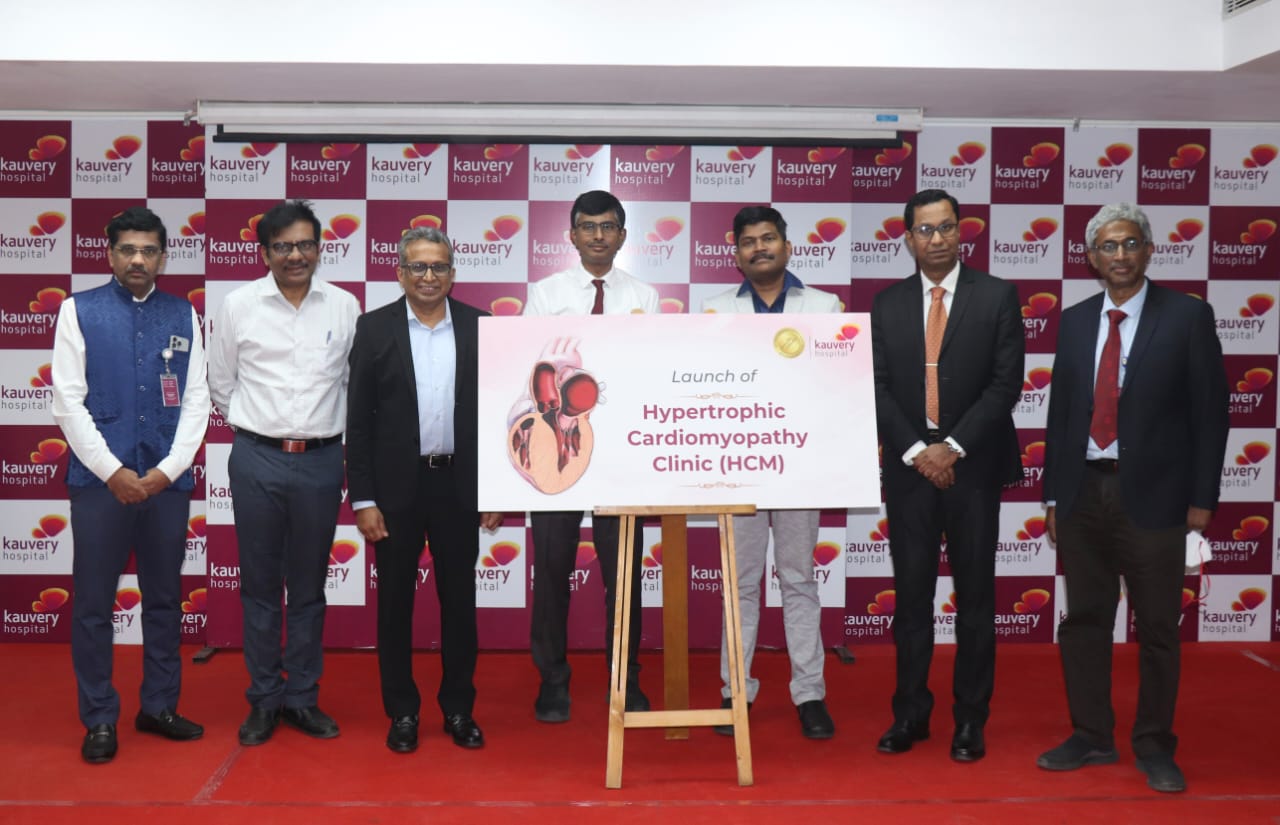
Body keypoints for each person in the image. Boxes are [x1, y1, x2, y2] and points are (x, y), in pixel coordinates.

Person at [1037, 203, 1229, 793]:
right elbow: (1061, 412)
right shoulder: (1075, 321)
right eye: (1107, 246)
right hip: (1081, 492)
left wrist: (1202, 497)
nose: (1119, 255)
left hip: (1158, 498)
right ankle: (1092, 735)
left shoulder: (1188, 316)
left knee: (1158, 629)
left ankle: (1154, 744)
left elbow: (1211, 412)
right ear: (1090, 257)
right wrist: (1052, 495)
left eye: (1129, 244)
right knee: (1085, 621)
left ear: (1148, 250)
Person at [870, 188, 1024, 763]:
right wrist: (919, 451)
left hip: (974, 467)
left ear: (961, 232)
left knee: (976, 599)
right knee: (912, 599)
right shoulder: (886, 304)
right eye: (925, 230)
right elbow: (876, 386)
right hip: (910, 470)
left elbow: (1006, 384)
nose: (937, 239)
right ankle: (909, 713)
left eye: (946, 227)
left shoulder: (998, 296)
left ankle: (970, 719)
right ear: (908, 239)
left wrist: (952, 448)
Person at [51, 206, 210, 763]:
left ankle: (158, 706)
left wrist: (168, 470)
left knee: (164, 601)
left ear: (163, 257)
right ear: (110, 254)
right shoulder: (78, 310)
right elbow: (67, 402)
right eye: (128, 250)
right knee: (95, 604)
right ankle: (99, 716)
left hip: (166, 484)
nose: (138, 259)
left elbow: (196, 398)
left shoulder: (183, 313)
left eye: (148, 250)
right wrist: (112, 471)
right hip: (100, 485)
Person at [207, 199, 360, 746]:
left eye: (305, 244)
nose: (295, 255)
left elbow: (351, 383)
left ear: (319, 248)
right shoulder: (238, 305)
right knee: (260, 588)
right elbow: (221, 383)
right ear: (265, 252)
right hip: (257, 458)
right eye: (283, 246)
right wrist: (262, 430)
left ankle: (302, 698)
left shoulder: (344, 306)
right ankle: (265, 699)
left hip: (322, 460)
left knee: (310, 587)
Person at [346, 226, 502, 754]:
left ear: (453, 274)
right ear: (400, 273)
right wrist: (363, 498)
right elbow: (358, 422)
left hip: (459, 486)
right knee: (394, 606)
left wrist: (495, 490)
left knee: (460, 604)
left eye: (438, 266)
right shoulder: (373, 329)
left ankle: (458, 708)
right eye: (418, 266)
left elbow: (500, 416)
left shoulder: (482, 327)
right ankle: (403, 711)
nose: (428, 276)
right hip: (395, 492)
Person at [702, 205, 838, 740]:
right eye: (748, 241)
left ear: (787, 246)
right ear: (736, 254)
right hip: (738, 466)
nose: (759, 248)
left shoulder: (825, 307)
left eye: (768, 238)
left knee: (799, 579)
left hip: (801, 465)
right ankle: (735, 689)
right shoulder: (713, 312)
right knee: (739, 584)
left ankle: (810, 692)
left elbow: (836, 386)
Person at [523, 189, 660, 722]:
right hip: (556, 447)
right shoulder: (546, 293)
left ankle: (625, 678)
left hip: (621, 453)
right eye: (588, 226)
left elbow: (648, 369)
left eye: (608, 227)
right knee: (551, 571)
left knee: (623, 578)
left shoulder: (644, 297)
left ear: (622, 236)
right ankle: (551, 680)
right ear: (572, 235)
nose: (598, 235)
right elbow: (532, 369)